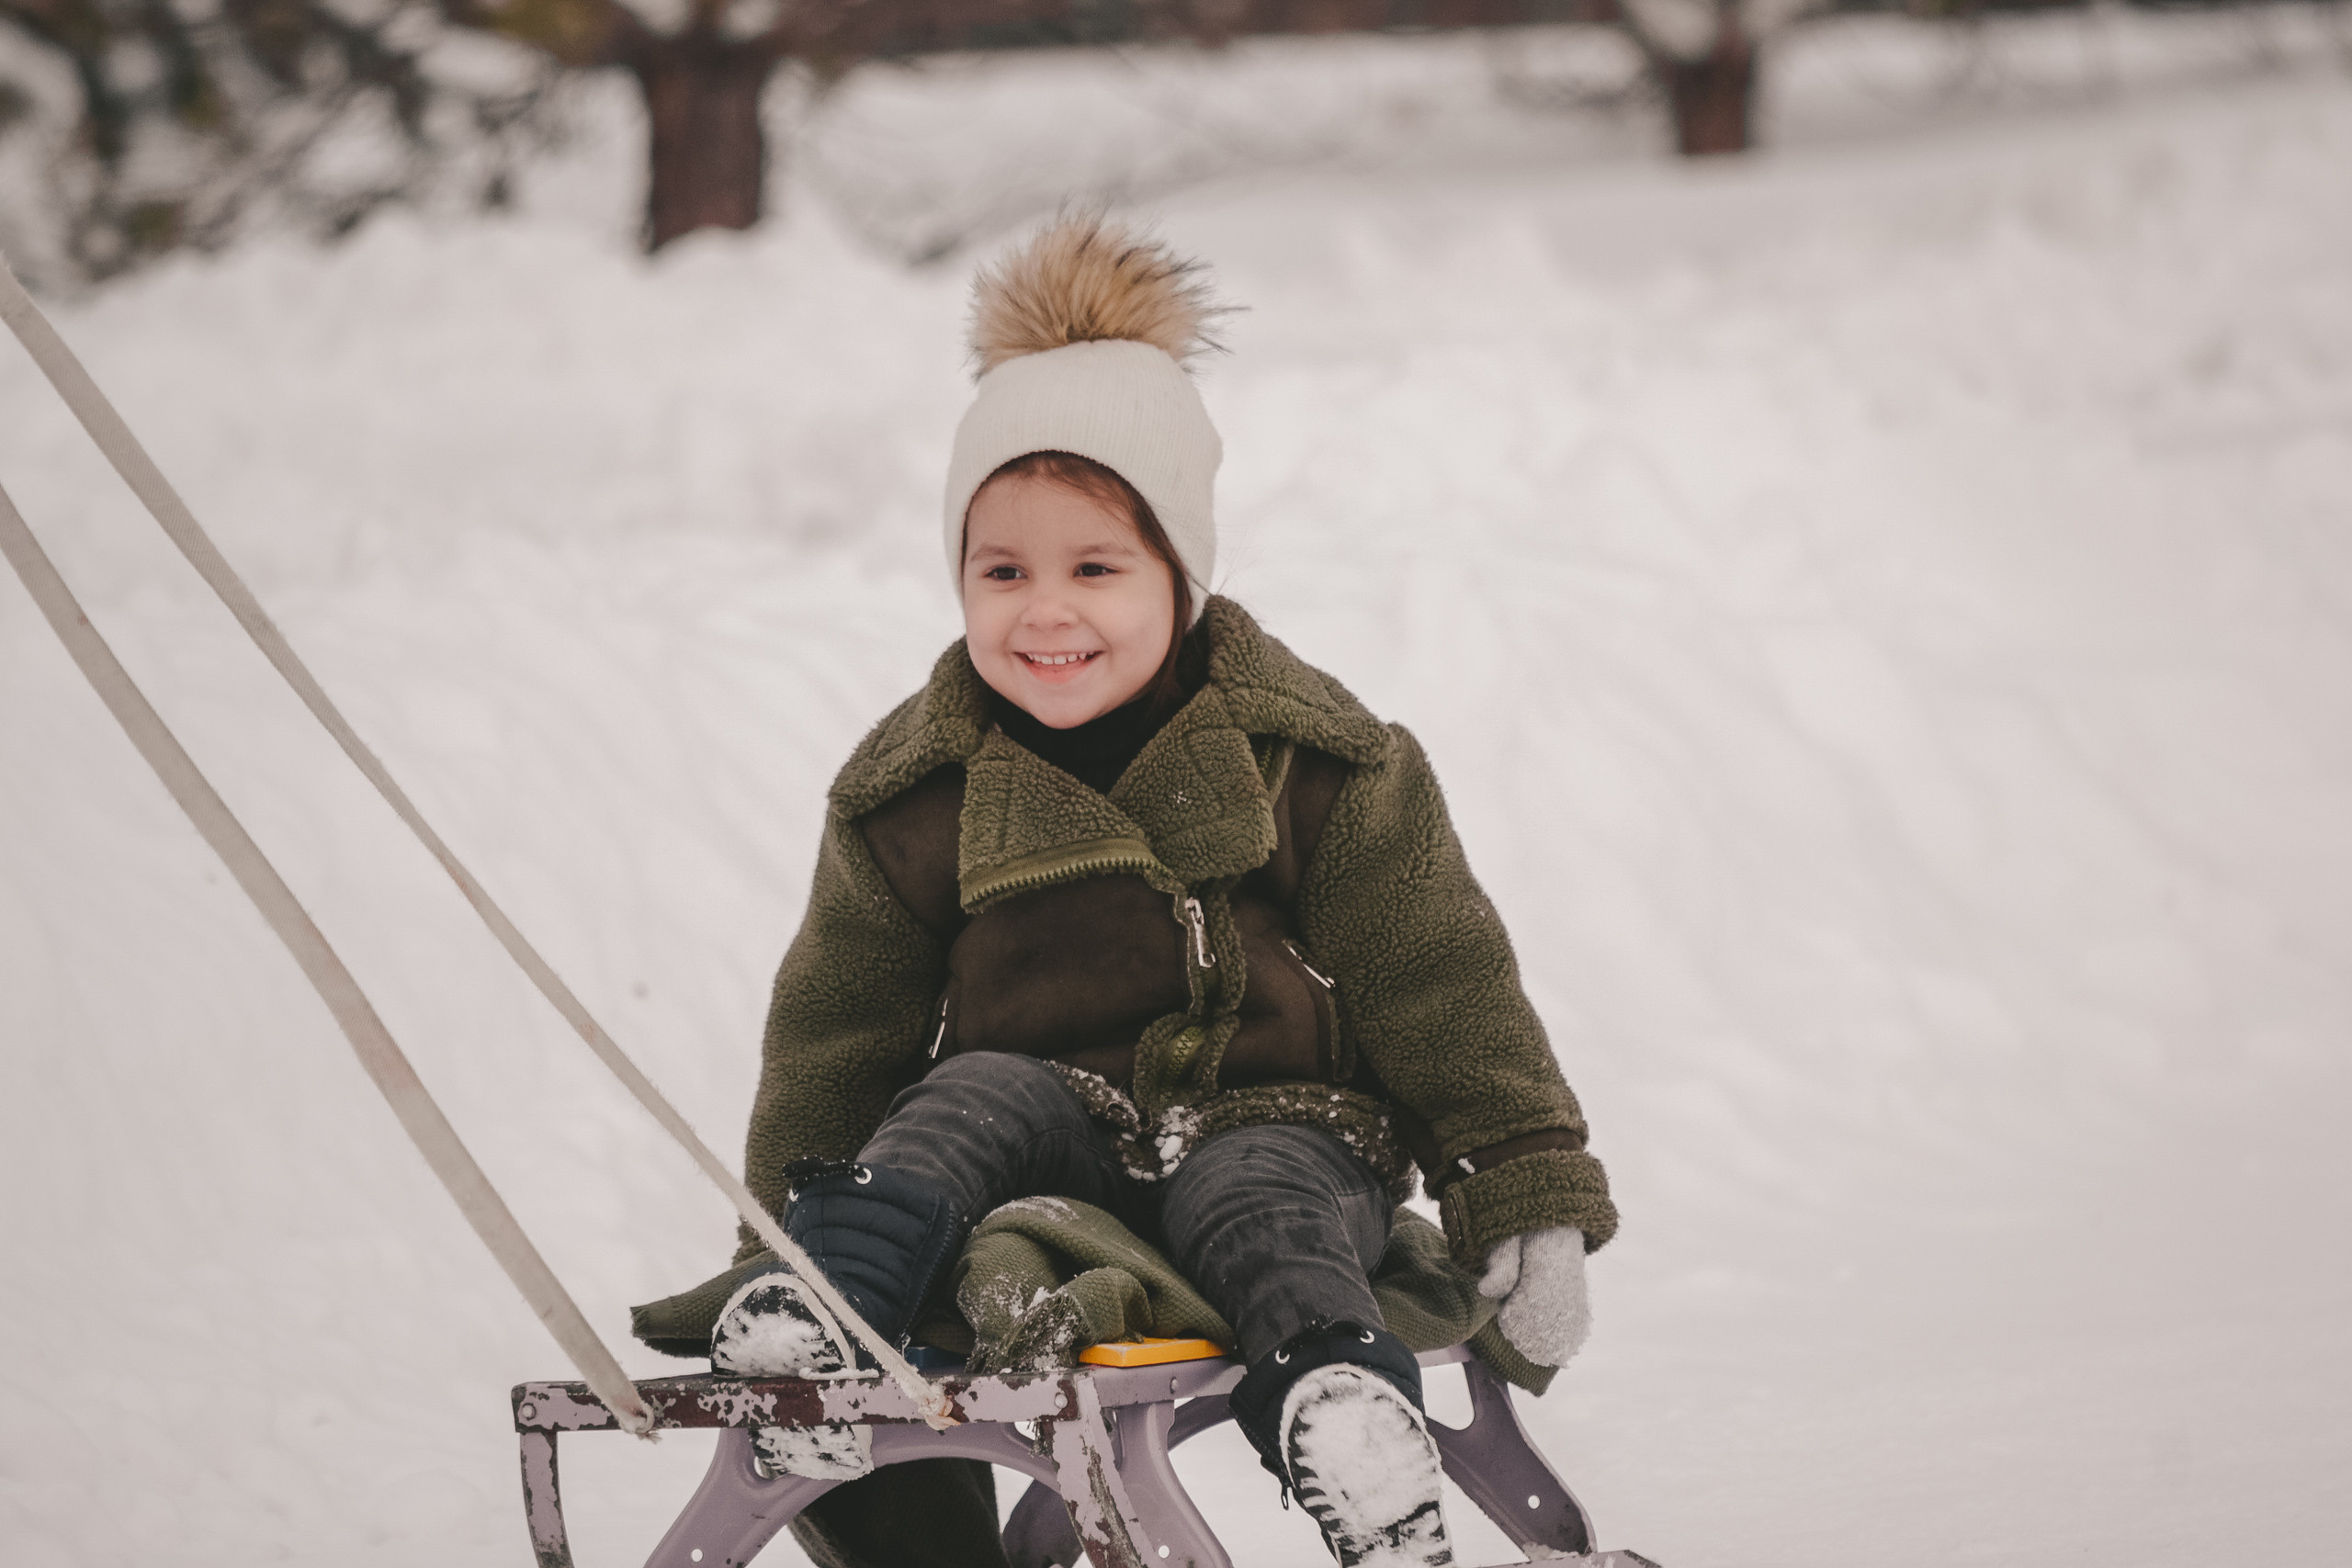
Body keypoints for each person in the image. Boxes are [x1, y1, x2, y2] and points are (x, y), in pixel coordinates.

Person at [710, 213, 1618, 1568]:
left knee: (1256, 1192)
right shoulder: (915, 790)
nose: (1044, 613)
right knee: (963, 1095)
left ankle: (1339, 1403)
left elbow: (1437, 974)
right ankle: (827, 1321)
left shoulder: (1316, 759)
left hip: (1287, 1125)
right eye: (1000, 571)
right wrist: (777, 1222)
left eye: (1096, 569)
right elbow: (837, 1034)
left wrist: (1520, 1175)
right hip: (1050, 1153)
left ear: (1182, 576)